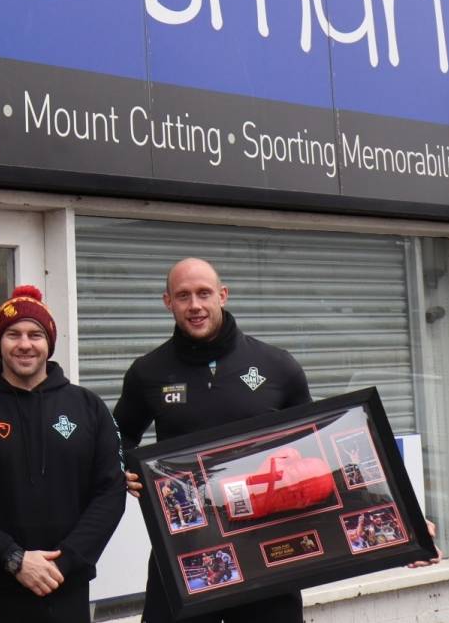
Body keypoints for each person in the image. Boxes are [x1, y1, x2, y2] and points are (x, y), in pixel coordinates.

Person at [113, 257, 311, 623]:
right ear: (167, 302)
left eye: (204, 293)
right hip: (184, 547)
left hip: (266, 549)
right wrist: (125, 468)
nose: (195, 305)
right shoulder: (148, 372)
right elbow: (119, 435)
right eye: (183, 296)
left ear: (222, 295)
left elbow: (313, 443)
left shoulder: (277, 365)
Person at [0, 285, 126, 623]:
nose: (25, 344)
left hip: (67, 586)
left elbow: (110, 492)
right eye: (13, 334)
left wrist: (64, 562)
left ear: (49, 342)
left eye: (35, 334)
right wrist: (13, 558)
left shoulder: (88, 407)